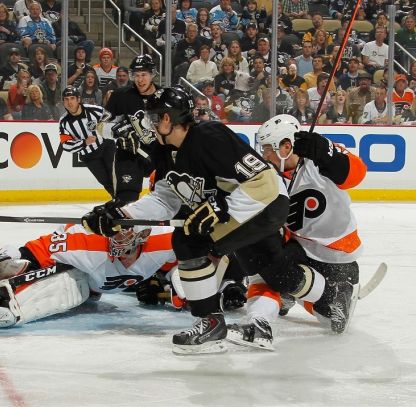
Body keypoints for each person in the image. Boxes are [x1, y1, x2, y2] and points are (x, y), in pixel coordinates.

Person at [81, 88, 348, 355]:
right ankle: (332, 299)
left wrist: (223, 208)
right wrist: (124, 216)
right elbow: (165, 200)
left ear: (167, 119)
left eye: (154, 117)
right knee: (275, 271)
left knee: (188, 241)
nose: (150, 125)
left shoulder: (210, 136)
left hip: (265, 203)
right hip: (248, 212)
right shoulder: (165, 153)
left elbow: (261, 179)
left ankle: (210, 324)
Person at [234, 114, 367, 349]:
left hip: (337, 257)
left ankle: (331, 294)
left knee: (335, 324)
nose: (263, 155)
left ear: (286, 146)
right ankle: (259, 322)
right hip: (300, 248)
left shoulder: (318, 160)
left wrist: (327, 152)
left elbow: (356, 174)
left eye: (267, 149)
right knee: (266, 267)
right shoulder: (267, 176)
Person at [0, 224, 176, 327]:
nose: (118, 243)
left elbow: (189, 254)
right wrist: (9, 265)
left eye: (126, 242)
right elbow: (39, 249)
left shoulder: (164, 240)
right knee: (74, 282)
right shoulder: (88, 244)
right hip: (77, 265)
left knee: (84, 289)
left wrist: (162, 278)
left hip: (99, 283)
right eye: (115, 237)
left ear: (142, 238)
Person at [105, 54, 159, 203]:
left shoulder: (164, 97)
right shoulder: (120, 96)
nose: (140, 80)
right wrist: (115, 131)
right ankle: (127, 227)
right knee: (126, 201)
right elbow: (101, 126)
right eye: (136, 75)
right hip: (129, 154)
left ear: (152, 74)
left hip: (159, 155)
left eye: (144, 75)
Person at [59, 86, 115, 196]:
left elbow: (109, 115)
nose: (69, 102)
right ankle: (118, 200)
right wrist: (84, 143)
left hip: (106, 146)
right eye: (66, 99)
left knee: (115, 175)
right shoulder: (63, 122)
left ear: (78, 99)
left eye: (72, 98)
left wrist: (103, 125)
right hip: (89, 156)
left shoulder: (93, 110)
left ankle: (124, 200)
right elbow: (66, 145)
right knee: (104, 180)